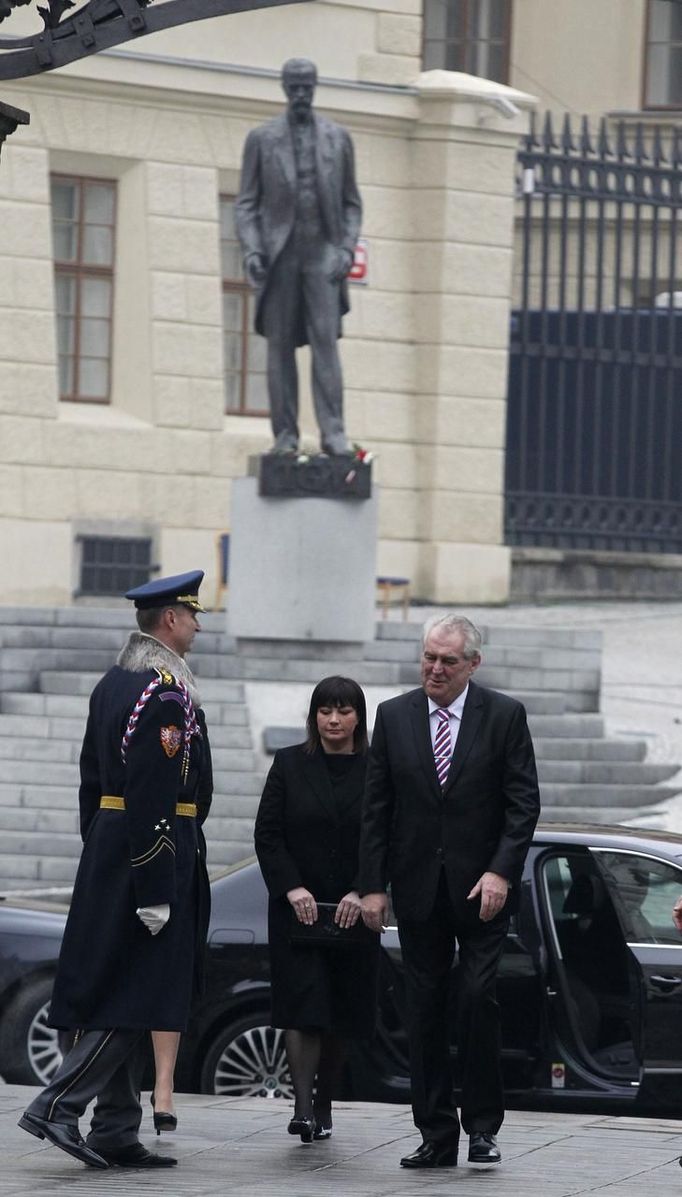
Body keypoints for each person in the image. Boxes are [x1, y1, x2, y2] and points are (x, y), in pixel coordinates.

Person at [18, 570, 212, 1170]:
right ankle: (58, 1105)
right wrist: (153, 882)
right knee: (137, 995)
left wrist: (102, 848)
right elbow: (154, 791)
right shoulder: (162, 693)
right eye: (193, 615)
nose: (199, 627)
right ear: (171, 621)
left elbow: (90, 782)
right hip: (150, 852)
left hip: (113, 846)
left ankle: (116, 1128)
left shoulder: (113, 684)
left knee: (124, 990)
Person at [359, 614, 540, 1170]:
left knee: (475, 998)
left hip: (480, 889)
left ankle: (482, 1127)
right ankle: (435, 1133)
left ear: (473, 665)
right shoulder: (393, 716)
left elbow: (522, 803)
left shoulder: (504, 716)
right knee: (426, 1010)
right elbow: (377, 809)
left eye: (448, 662)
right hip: (418, 890)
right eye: (429, 658)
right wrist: (372, 886)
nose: (435, 670)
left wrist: (501, 871)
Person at [254, 676, 377, 1142]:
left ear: (358, 717)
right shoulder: (289, 764)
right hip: (297, 911)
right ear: (313, 717)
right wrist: (292, 888)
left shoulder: (375, 768)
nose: (333, 720)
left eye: (344, 711)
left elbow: (387, 836)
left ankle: (324, 1102)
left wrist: (361, 889)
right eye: (325, 711)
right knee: (302, 1006)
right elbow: (267, 833)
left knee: (339, 1011)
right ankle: (302, 1108)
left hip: (351, 909)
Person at [235, 57, 362, 457]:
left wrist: (345, 248)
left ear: (316, 86)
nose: (302, 94)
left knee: (326, 345)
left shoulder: (338, 139)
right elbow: (246, 204)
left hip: (323, 252)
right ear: (285, 88)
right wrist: (254, 248)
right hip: (279, 253)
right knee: (279, 347)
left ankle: (334, 433)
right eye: (295, 87)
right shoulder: (262, 138)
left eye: (308, 87)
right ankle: (285, 436)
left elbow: (351, 204)